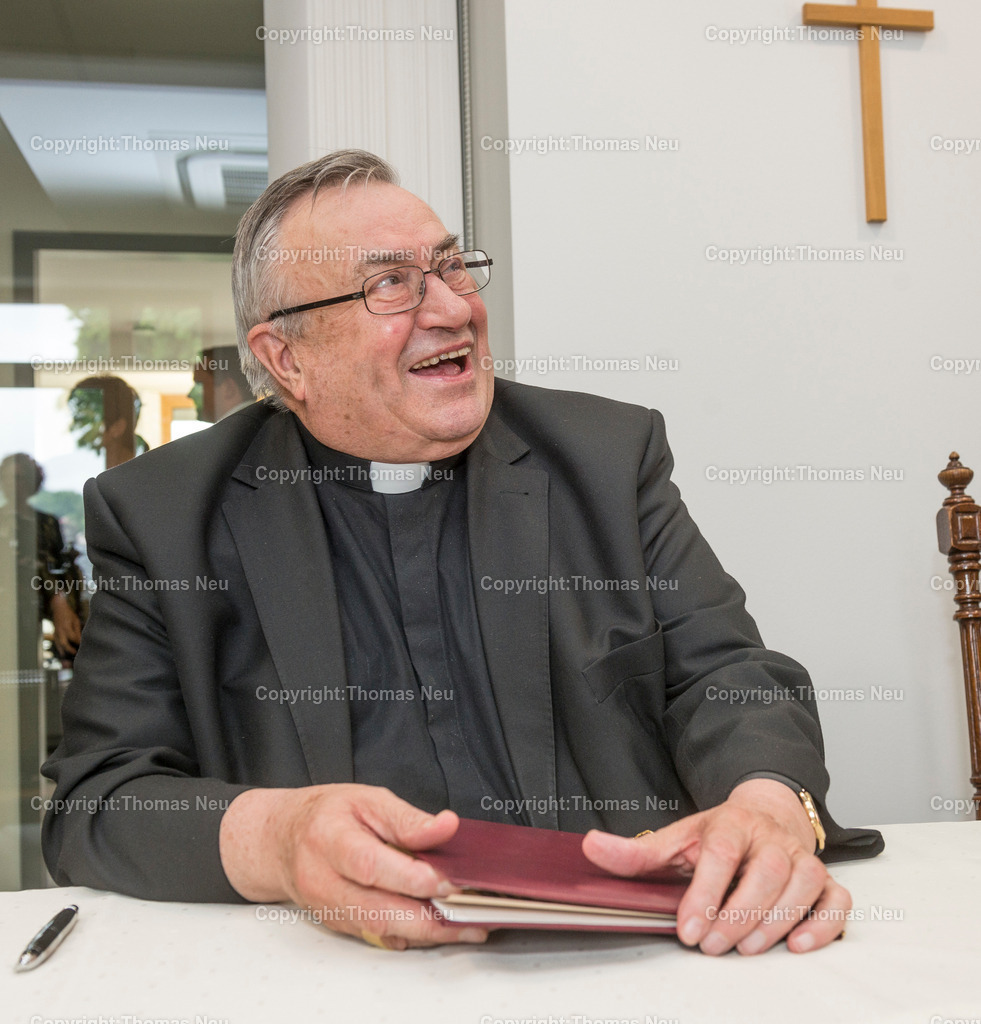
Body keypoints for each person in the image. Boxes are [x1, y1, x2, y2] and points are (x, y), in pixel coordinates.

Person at [42, 149, 881, 957]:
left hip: (636, 957)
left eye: (450, 267)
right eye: (389, 284)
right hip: (335, 980)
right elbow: (96, 798)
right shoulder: (164, 518)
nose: (451, 309)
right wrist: (280, 840)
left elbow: (727, 676)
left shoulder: (605, 458)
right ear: (286, 359)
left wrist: (768, 805)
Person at [192, 345, 255, 422]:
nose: (189, 395)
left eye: (199, 384)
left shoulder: (234, 427)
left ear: (228, 388)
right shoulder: (257, 423)